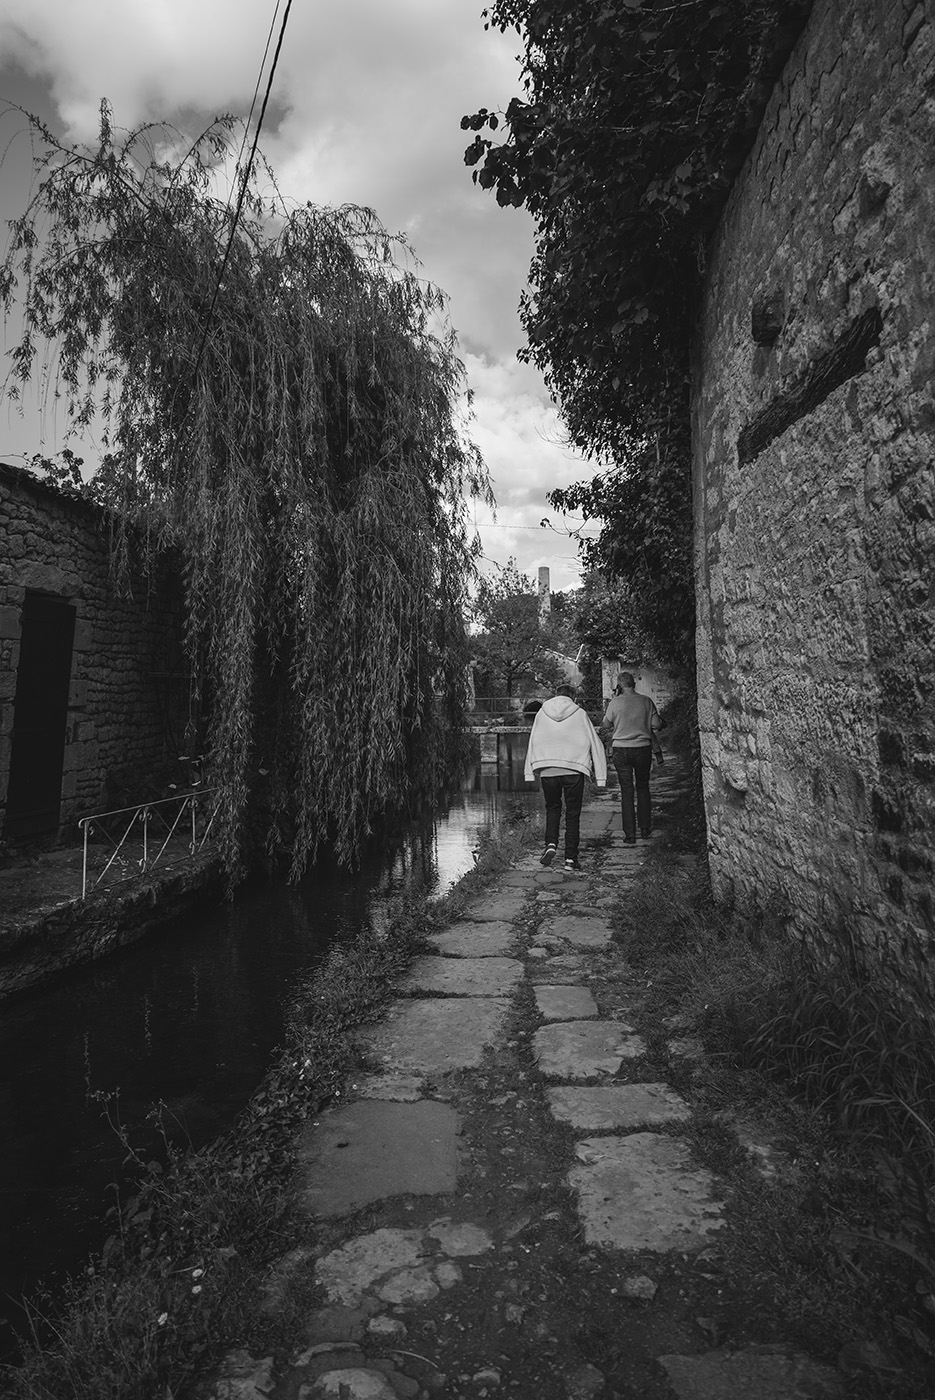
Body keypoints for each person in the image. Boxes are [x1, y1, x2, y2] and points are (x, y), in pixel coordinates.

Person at [524, 684, 607, 871]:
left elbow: (533, 741)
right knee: (572, 813)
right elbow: (595, 742)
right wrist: (600, 777)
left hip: (548, 770)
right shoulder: (580, 713)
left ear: (555, 696)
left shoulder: (541, 713)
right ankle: (570, 859)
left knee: (552, 808)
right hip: (573, 769)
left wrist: (529, 771)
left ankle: (551, 844)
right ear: (573, 698)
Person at [602, 672, 662, 845]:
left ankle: (630, 834)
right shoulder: (646, 701)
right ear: (634, 684)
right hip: (642, 748)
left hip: (621, 749)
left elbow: (606, 724)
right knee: (643, 787)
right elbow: (656, 725)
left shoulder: (615, 702)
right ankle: (645, 828)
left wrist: (616, 703)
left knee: (626, 790)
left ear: (619, 686)